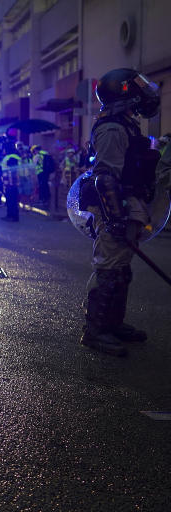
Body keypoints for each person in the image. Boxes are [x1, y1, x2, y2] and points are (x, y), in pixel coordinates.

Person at [79, 68, 162, 357]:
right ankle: (96, 330)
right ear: (124, 92)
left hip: (128, 207)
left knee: (121, 270)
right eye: (136, 87)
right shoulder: (113, 127)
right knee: (109, 269)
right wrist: (115, 218)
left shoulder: (125, 124)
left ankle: (113, 324)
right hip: (116, 210)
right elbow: (105, 177)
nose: (143, 92)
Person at [0, 142, 21, 222]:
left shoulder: (11, 157)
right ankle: (12, 215)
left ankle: (12, 216)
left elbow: (12, 170)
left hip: (10, 182)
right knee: (12, 199)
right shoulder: (16, 156)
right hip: (13, 182)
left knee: (11, 200)